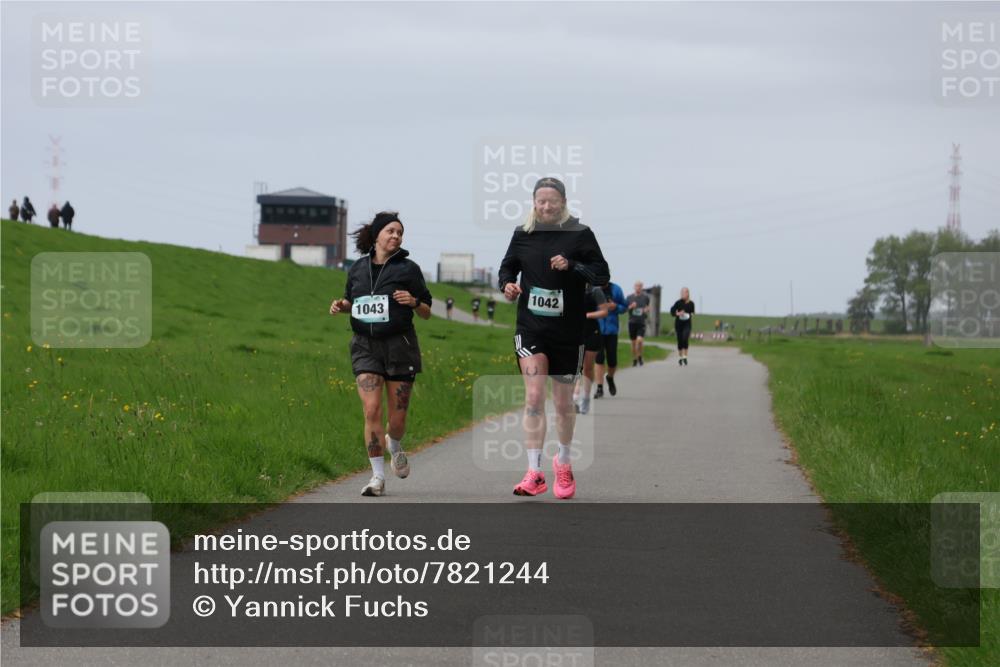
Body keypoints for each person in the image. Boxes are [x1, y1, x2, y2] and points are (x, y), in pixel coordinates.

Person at [498, 177, 609, 499]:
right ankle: (534, 472)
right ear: (534, 203)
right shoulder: (523, 234)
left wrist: (572, 265)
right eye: (541, 201)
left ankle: (563, 461)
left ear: (563, 202)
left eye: (552, 201)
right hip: (531, 328)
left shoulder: (580, 234)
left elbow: (601, 273)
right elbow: (507, 268)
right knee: (534, 397)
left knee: (562, 404)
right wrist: (507, 285)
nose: (546, 206)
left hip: (568, 332)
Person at [328, 211, 432, 497]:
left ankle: (394, 444)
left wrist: (413, 301)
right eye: (391, 231)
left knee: (397, 420)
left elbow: (426, 311)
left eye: (400, 232)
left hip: (400, 347)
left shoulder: (409, 269)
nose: (396, 236)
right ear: (377, 236)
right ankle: (377, 476)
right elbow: (354, 301)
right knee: (371, 409)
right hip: (365, 347)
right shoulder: (358, 269)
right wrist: (341, 306)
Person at [574, 283, 614, 414]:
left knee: (587, 367)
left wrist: (587, 315)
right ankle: (574, 396)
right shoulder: (570, 286)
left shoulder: (595, 290)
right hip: (574, 331)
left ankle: (585, 397)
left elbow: (604, 311)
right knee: (575, 366)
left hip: (591, 331)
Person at [593, 281, 627, 398]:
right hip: (596, 329)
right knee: (599, 358)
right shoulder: (593, 289)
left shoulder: (616, 289)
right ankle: (599, 388)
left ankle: (610, 377)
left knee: (612, 361)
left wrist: (616, 307)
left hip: (612, 330)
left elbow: (624, 307)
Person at [626, 281, 650, 366]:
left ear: (642, 287)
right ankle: (635, 358)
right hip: (632, 322)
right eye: (637, 286)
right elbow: (625, 309)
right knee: (633, 343)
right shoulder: (629, 298)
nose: (638, 287)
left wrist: (647, 310)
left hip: (641, 322)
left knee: (639, 340)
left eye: (640, 286)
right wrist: (631, 307)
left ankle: (639, 356)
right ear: (634, 287)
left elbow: (648, 307)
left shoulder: (645, 297)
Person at [671, 287, 695, 365]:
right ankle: (680, 357)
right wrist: (678, 313)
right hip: (679, 324)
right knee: (680, 340)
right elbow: (672, 311)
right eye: (681, 293)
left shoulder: (691, 303)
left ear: (687, 294)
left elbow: (692, 312)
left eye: (684, 293)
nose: (682, 294)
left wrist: (690, 314)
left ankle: (685, 356)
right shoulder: (678, 303)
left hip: (687, 323)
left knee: (685, 338)